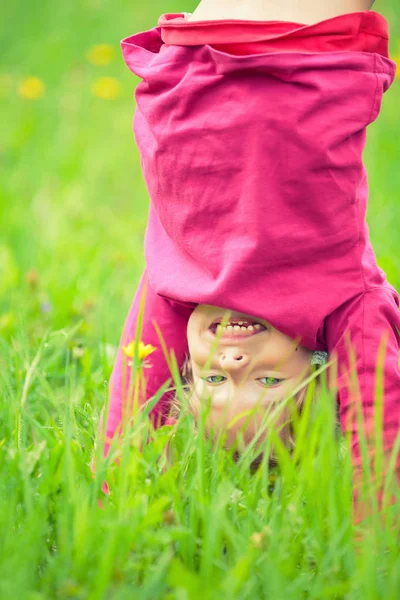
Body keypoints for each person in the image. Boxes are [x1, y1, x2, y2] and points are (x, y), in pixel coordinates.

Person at [100, 0, 400, 518]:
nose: (234, 362)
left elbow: (134, 404)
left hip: (190, 66)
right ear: (319, 364)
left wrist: (119, 508)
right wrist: (369, 541)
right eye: (266, 382)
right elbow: (378, 426)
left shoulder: (180, 288)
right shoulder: (345, 304)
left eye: (213, 380)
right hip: (306, 59)